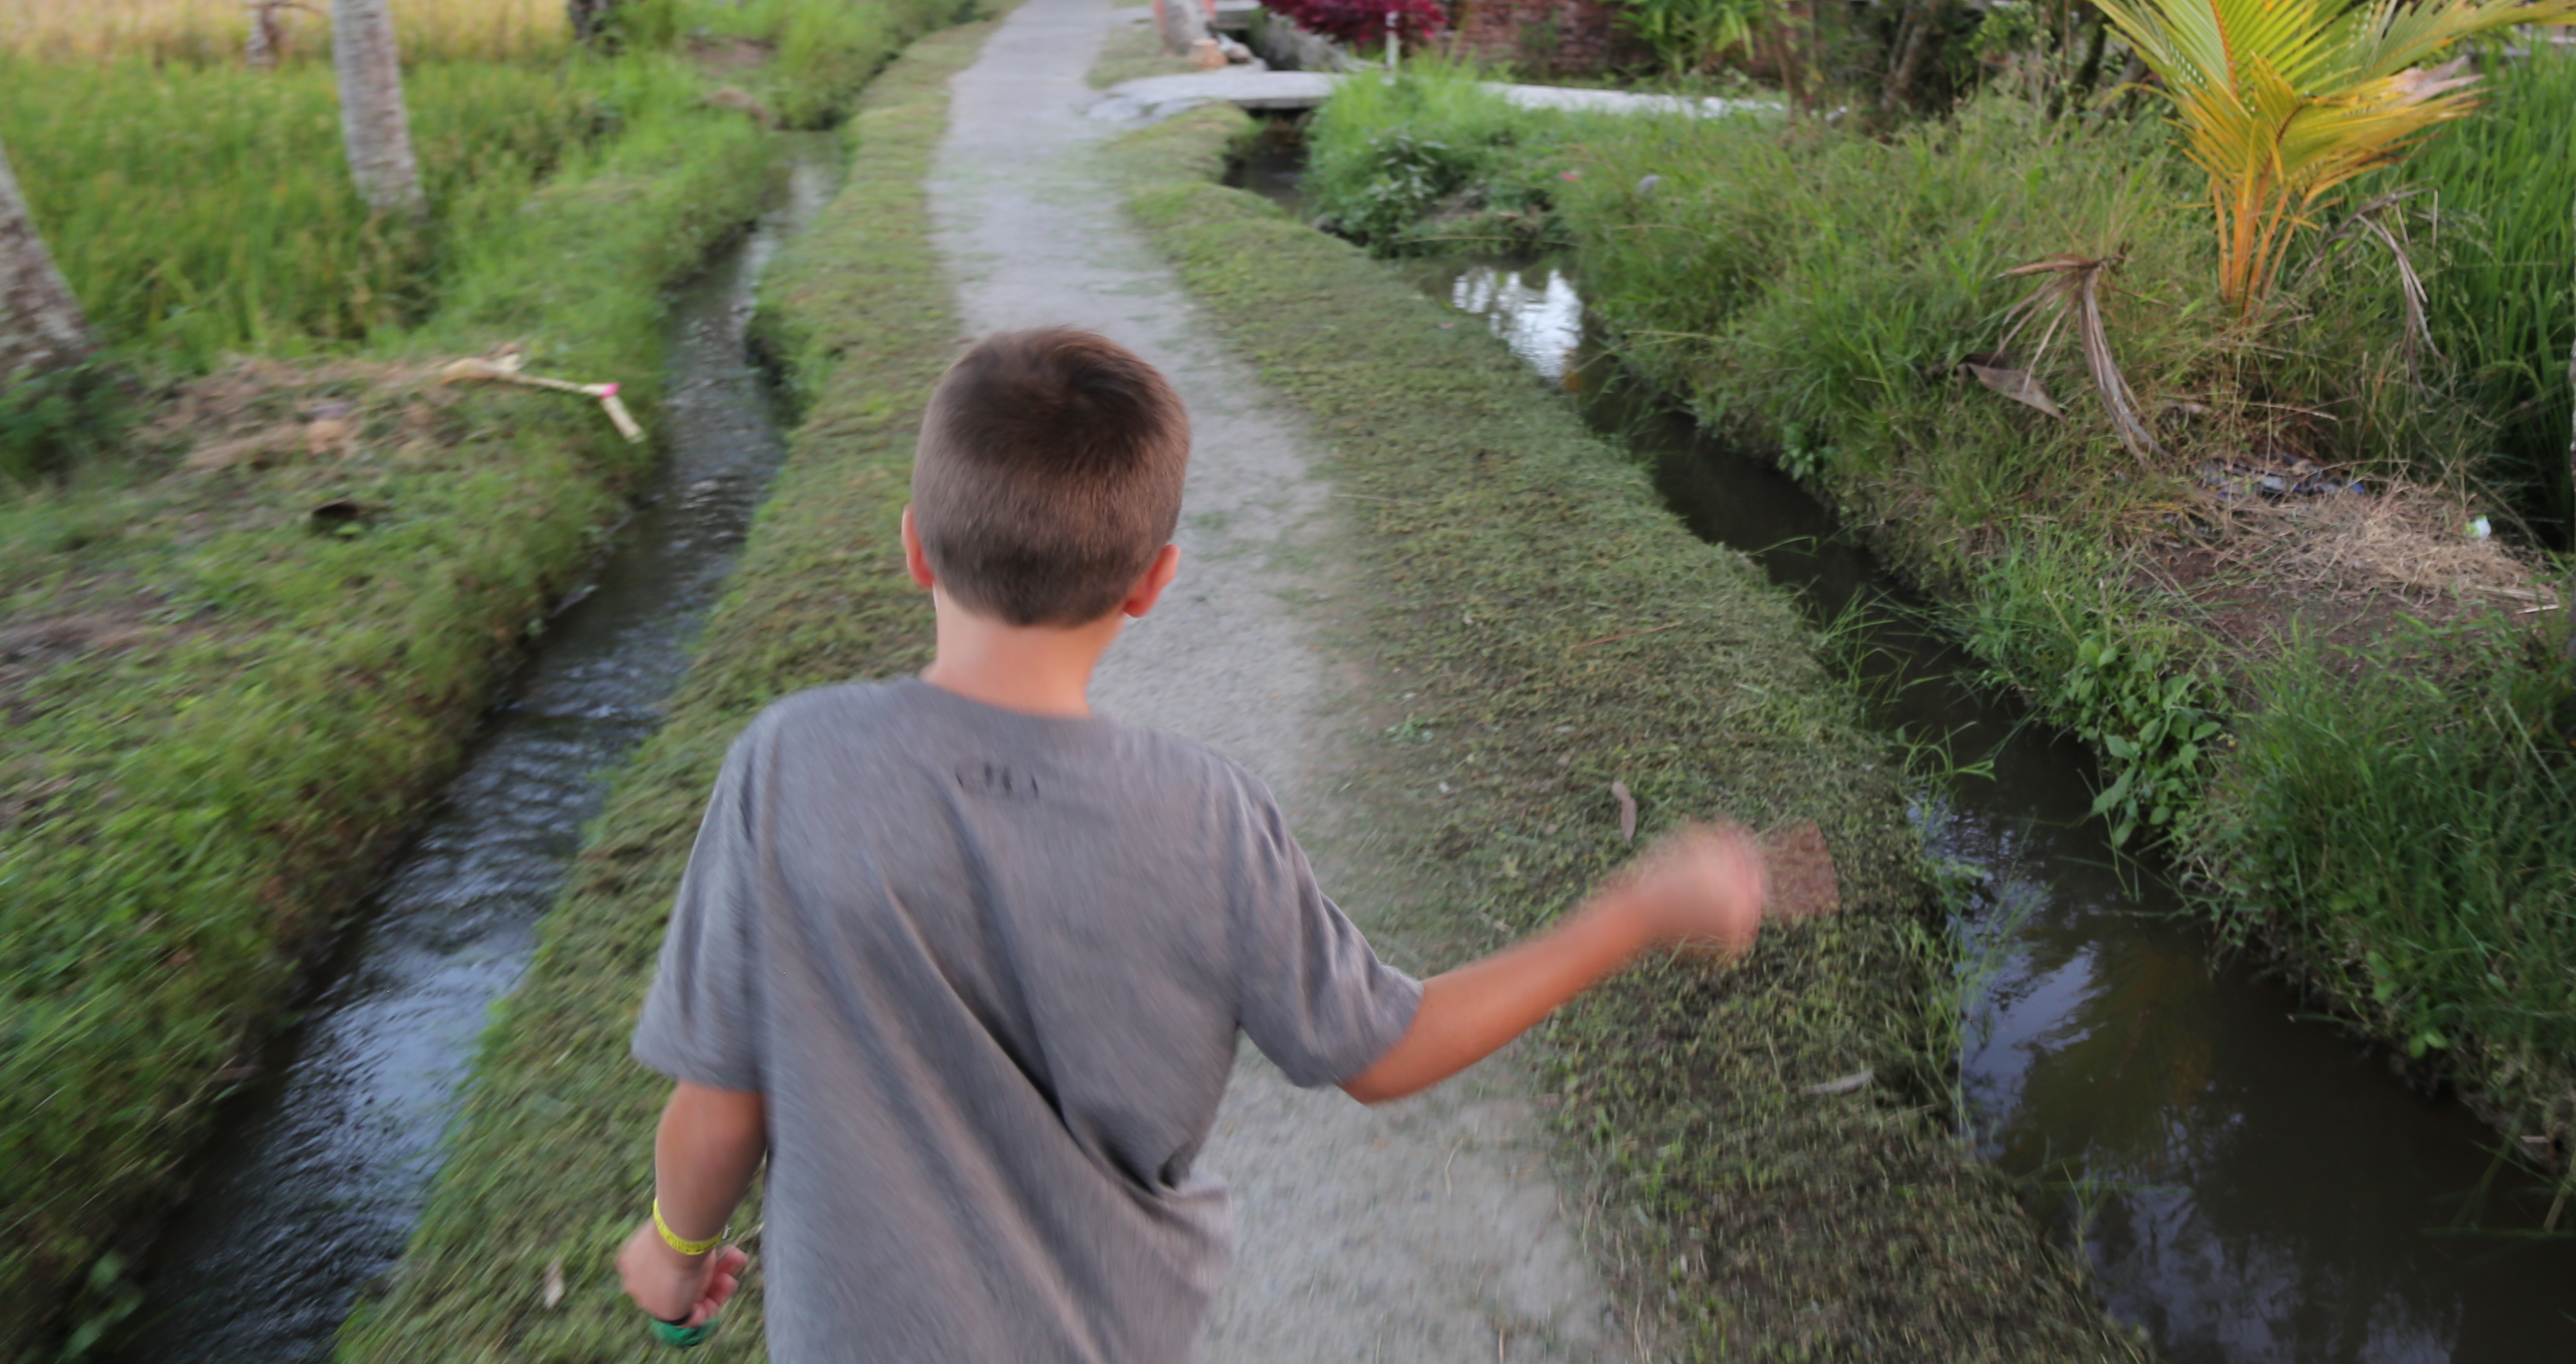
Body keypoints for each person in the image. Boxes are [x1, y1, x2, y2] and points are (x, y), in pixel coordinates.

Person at [612, 325, 1768, 1358]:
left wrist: (671, 1252)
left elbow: (720, 1107)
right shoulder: (1208, 815)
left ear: (914, 547)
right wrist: (1633, 914)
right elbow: (1386, 1051)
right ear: (1155, 583)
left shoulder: (789, 762)